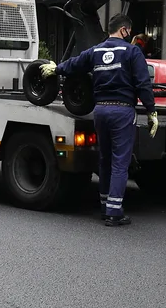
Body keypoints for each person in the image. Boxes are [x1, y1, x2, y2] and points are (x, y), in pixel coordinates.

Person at [43, 14, 158, 227]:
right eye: (129, 31)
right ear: (124, 30)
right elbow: (143, 83)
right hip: (122, 112)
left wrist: (55, 69)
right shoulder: (132, 52)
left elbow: (74, 64)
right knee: (120, 162)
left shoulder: (95, 51)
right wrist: (151, 112)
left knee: (105, 159)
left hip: (101, 111)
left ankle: (105, 205)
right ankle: (114, 212)